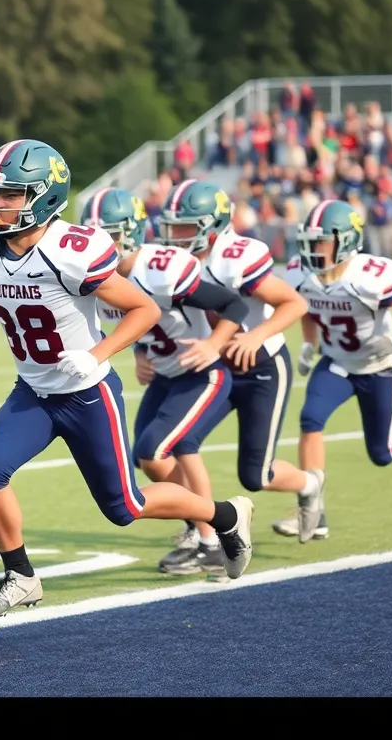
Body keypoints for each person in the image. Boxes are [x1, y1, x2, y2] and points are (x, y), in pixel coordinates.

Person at [0, 139, 256, 619]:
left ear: (44, 196)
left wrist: (98, 354)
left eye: (10, 194)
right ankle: (20, 577)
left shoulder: (71, 251)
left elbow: (145, 307)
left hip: (87, 393)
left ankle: (224, 515)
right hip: (33, 390)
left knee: (125, 507)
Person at [80, 187, 251, 576]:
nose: (98, 244)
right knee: (146, 458)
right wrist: (141, 353)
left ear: (131, 232)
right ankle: (202, 526)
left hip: (200, 373)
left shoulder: (160, 269)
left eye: (106, 233)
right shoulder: (97, 277)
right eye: (91, 235)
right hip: (166, 376)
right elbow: (140, 322)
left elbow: (233, 305)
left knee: (156, 449)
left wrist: (214, 344)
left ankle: (212, 538)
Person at [146, 180, 315, 564]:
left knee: (256, 476)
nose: (175, 236)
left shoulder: (235, 256)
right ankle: (205, 535)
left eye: (186, 227)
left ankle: (309, 483)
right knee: (176, 444)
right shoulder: (166, 262)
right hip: (214, 367)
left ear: (214, 224)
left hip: (261, 368)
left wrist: (255, 336)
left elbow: (294, 303)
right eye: (171, 226)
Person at [285, 199, 392, 541]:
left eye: (321, 241)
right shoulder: (301, 274)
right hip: (337, 362)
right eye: (310, 241)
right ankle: (315, 507)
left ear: (345, 241)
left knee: (382, 454)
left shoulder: (369, 278)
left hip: (378, 368)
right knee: (310, 418)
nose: (313, 249)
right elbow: (305, 308)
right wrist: (308, 344)